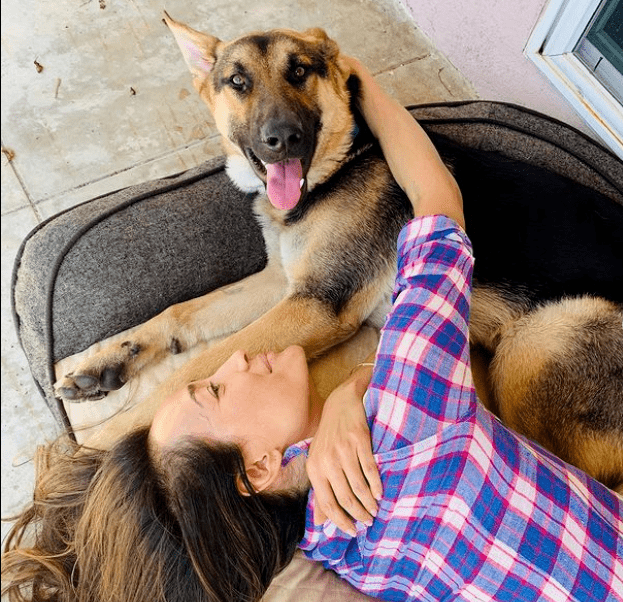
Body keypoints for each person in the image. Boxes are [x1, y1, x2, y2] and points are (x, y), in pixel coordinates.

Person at [2, 59, 621, 602]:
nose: (234, 360)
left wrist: (353, 388)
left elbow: (319, 305)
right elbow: (436, 200)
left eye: (300, 74)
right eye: (214, 390)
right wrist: (366, 81)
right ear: (260, 470)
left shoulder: (332, 547)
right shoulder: (411, 412)